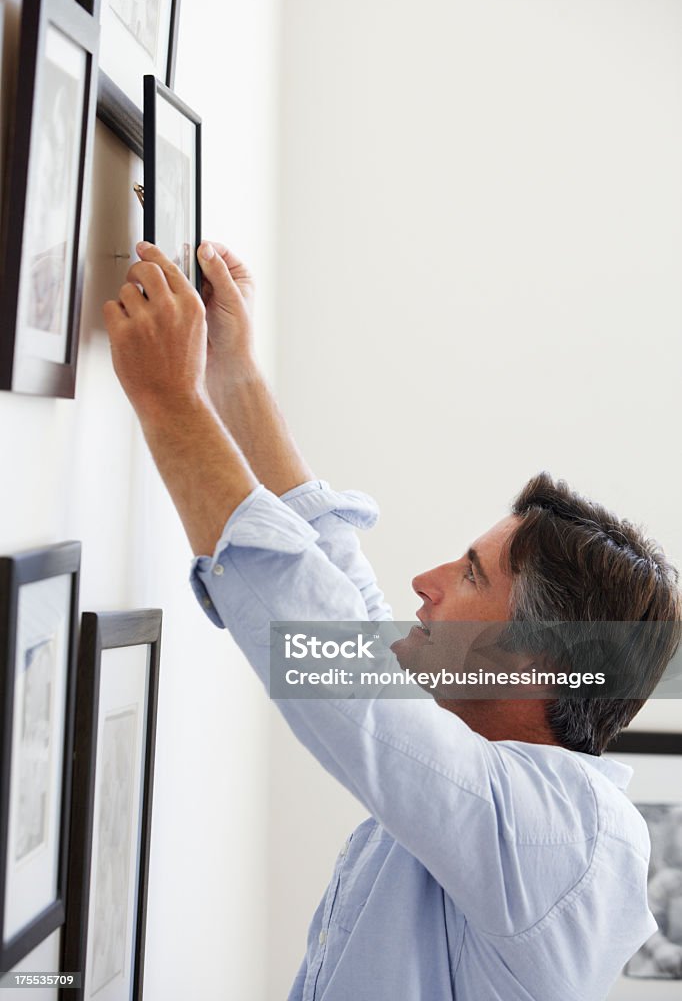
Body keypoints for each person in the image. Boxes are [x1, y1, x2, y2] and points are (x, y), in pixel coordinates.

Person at [104, 241, 681, 1000]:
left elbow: (342, 679)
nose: (426, 581)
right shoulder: (489, 777)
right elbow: (353, 628)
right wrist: (232, 372)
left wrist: (171, 403)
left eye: (470, 574)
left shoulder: (562, 835)